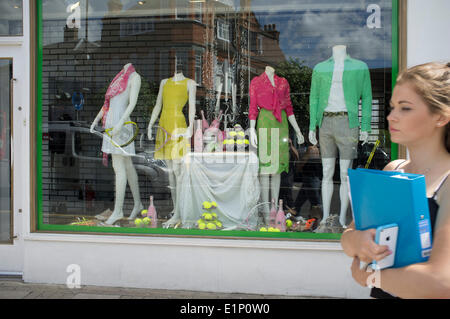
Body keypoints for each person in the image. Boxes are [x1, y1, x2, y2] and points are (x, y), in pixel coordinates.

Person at [341, 62, 450, 298]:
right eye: (392, 107)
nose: (392, 117)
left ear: (440, 116)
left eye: (405, 108)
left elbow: (441, 283)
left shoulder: (447, 180)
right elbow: (348, 238)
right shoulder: (394, 169)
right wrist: (358, 240)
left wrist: (372, 277)